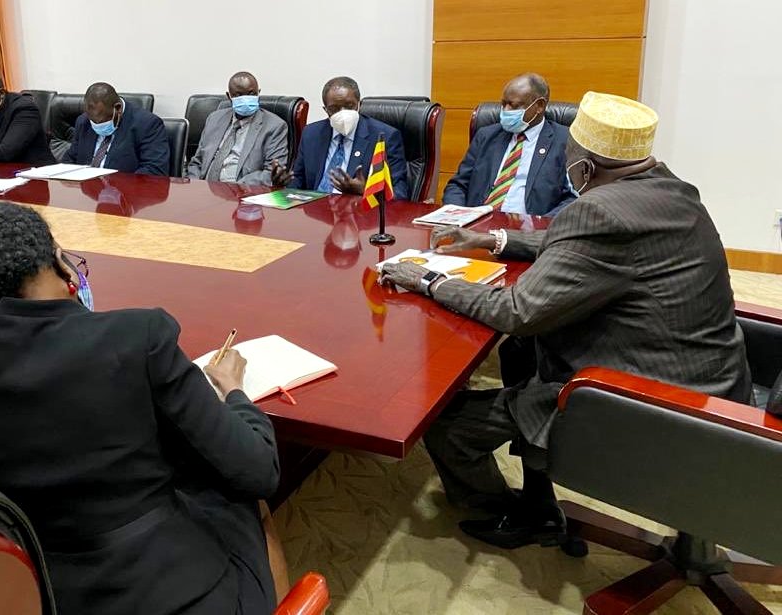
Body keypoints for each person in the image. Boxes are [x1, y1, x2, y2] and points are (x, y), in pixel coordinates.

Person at [380, 92, 751, 550]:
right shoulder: (671, 191)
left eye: (569, 153)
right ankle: (538, 489)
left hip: (645, 403)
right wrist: (493, 239)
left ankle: (512, 514)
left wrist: (428, 280)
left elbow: (516, 311)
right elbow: (592, 249)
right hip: (716, 382)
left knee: (447, 423)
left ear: (587, 166)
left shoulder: (598, 211)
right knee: (521, 354)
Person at [0, 201, 288, 614]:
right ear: (61, 266)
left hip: (43, 588)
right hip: (170, 596)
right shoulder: (136, 336)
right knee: (240, 490)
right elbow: (259, 471)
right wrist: (235, 395)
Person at [442, 73, 575, 216]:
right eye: (503, 104)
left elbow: (572, 199)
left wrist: (540, 227)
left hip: (527, 231)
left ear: (539, 106)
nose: (505, 111)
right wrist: (457, 216)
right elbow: (458, 185)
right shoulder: (486, 136)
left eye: (514, 105)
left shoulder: (564, 141)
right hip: (477, 226)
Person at [272, 76, 408, 200]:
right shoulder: (311, 133)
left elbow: (400, 194)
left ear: (359, 104)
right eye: (334, 109)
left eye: (349, 106)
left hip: (358, 219)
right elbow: (298, 183)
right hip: (318, 215)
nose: (343, 113)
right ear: (326, 110)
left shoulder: (384, 136)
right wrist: (282, 185)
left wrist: (366, 191)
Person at [187, 72, 288, 185]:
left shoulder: (275, 126)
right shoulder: (214, 119)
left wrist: (237, 188)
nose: (245, 99)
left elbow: (271, 174)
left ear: (258, 93)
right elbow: (197, 163)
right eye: (238, 95)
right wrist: (195, 186)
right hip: (205, 190)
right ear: (229, 96)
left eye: (251, 94)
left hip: (242, 192)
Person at [61, 82, 170, 175]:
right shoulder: (83, 122)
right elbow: (70, 159)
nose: (96, 125)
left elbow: (154, 170)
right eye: (92, 120)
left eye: (100, 121)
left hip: (124, 195)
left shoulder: (147, 124)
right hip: (86, 194)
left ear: (117, 108)